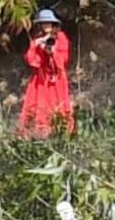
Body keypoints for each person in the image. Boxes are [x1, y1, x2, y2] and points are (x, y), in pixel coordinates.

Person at [18, 8, 75, 137]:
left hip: (57, 78)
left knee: (60, 103)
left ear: (54, 24)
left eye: (48, 23)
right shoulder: (38, 38)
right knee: (38, 103)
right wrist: (36, 45)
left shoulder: (61, 37)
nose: (46, 25)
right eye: (43, 23)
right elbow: (31, 60)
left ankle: (63, 132)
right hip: (41, 78)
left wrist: (52, 52)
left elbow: (63, 60)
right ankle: (37, 133)